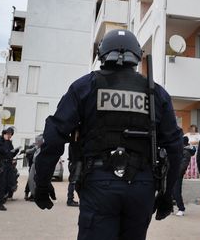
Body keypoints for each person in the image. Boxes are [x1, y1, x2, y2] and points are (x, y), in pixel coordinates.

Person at [33, 29, 184, 240]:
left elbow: (54, 136)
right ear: (137, 56)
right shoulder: (156, 93)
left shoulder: (83, 86)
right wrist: (168, 195)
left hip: (98, 182)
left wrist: (41, 182)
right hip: (142, 185)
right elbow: (175, 148)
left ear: (101, 54)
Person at [0, 127, 19, 211]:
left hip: (8, 165)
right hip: (2, 165)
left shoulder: (9, 142)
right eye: (9, 134)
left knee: (9, 183)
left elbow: (11, 154)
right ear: (5, 133)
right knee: (2, 184)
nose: (10, 136)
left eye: (11, 135)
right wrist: (7, 148)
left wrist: (16, 151)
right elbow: (0, 149)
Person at [172, 136, 196, 216]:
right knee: (171, 190)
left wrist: (176, 173)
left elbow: (183, 166)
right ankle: (170, 208)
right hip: (173, 172)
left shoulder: (186, 152)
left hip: (177, 174)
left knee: (176, 190)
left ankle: (181, 209)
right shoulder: (182, 150)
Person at [26, 134, 43, 201]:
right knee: (31, 180)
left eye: (37, 141)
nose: (36, 142)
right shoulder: (37, 147)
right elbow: (31, 150)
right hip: (34, 164)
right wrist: (25, 151)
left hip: (39, 165)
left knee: (36, 181)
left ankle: (37, 195)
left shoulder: (44, 148)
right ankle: (33, 194)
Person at [67, 130, 80, 207]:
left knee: (72, 181)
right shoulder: (75, 144)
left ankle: (70, 199)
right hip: (76, 164)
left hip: (73, 163)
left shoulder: (72, 144)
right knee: (73, 181)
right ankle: (70, 200)